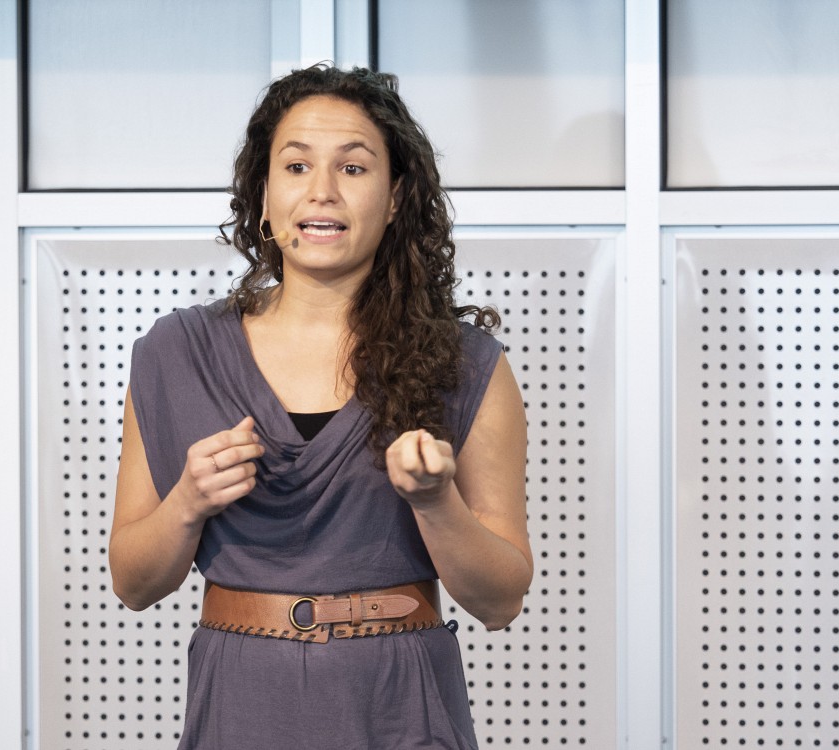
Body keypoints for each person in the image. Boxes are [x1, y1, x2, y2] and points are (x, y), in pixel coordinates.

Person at [109, 64, 532, 749]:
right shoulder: (173, 351)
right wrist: (187, 501)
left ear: (395, 199)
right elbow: (133, 582)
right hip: (241, 704)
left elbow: (500, 599)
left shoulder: (468, 362)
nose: (323, 192)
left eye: (355, 169)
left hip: (400, 709)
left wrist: (434, 502)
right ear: (265, 197)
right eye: (297, 165)